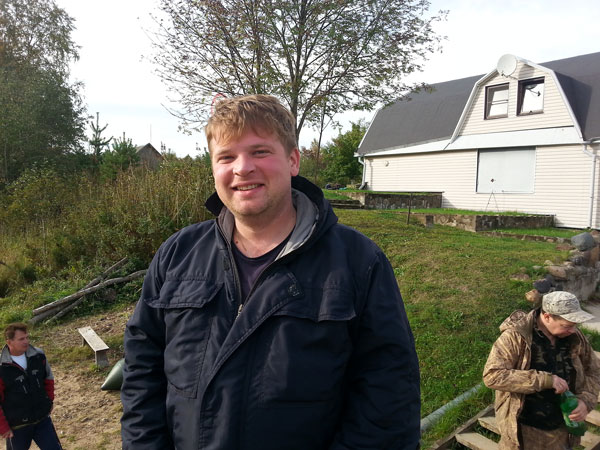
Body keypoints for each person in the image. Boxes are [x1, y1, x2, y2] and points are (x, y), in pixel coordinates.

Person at [121, 94, 421, 449]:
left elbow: (388, 401)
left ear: (293, 160)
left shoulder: (358, 262)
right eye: (226, 157)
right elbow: (141, 373)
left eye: (259, 152)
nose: (242, 168)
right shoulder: (177, 254)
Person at [483, 291, 600, 449]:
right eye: (567, 326)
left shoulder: (574, 336)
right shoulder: (516, 337)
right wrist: (544, 380)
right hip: (524, 432)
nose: (573, 330)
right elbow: (492, 375)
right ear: (547, 316)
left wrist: (586, 401)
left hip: (562, 430)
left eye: (575, 325)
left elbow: (594, 370)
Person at [0, 323, 61, 450]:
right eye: (21, 339)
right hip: (17, 426)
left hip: (42, 420)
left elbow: (48, 379)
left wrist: (49, 401)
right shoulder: (2, 367)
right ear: (9, 342)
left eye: (27, 337)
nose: (26, 341)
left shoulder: (38, 356)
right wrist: (3, 427)